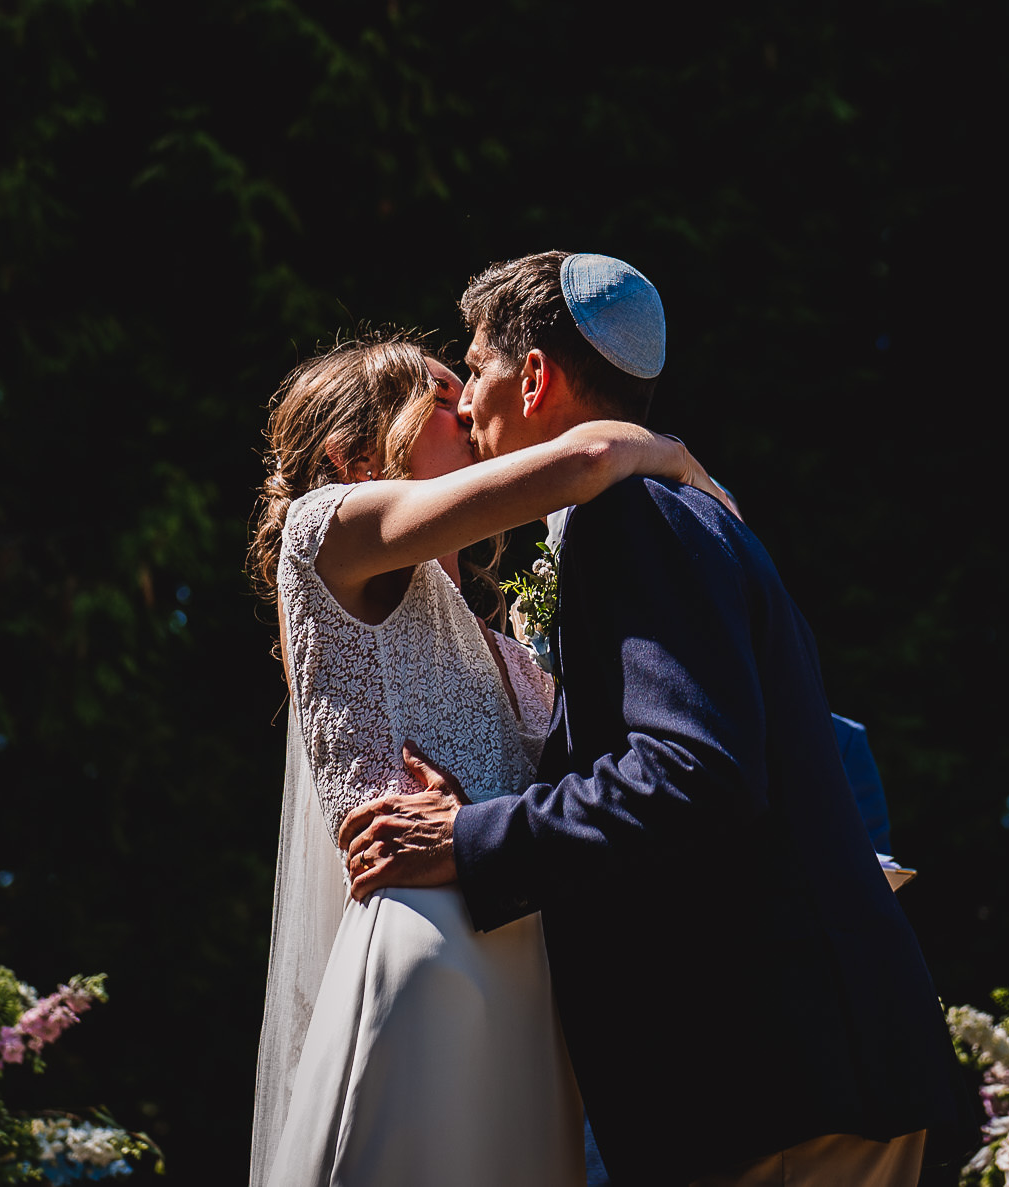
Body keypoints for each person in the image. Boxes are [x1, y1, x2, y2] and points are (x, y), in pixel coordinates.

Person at [339, 252, 965, 1187]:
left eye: (475, 368)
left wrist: (473, 837)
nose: (466, 401)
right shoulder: (669, 511)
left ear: (537, 376)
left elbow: (693, 770)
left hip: (769, 1084)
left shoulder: (634, 516)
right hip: (792, 1075)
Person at [247, 327, 737, 1187]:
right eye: (441, 396)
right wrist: (673, 454)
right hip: (428, 954)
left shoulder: (509, 649)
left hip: (532, 989)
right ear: (355, 452)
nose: (472, 406)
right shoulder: (327, 534)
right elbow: (586, 457)